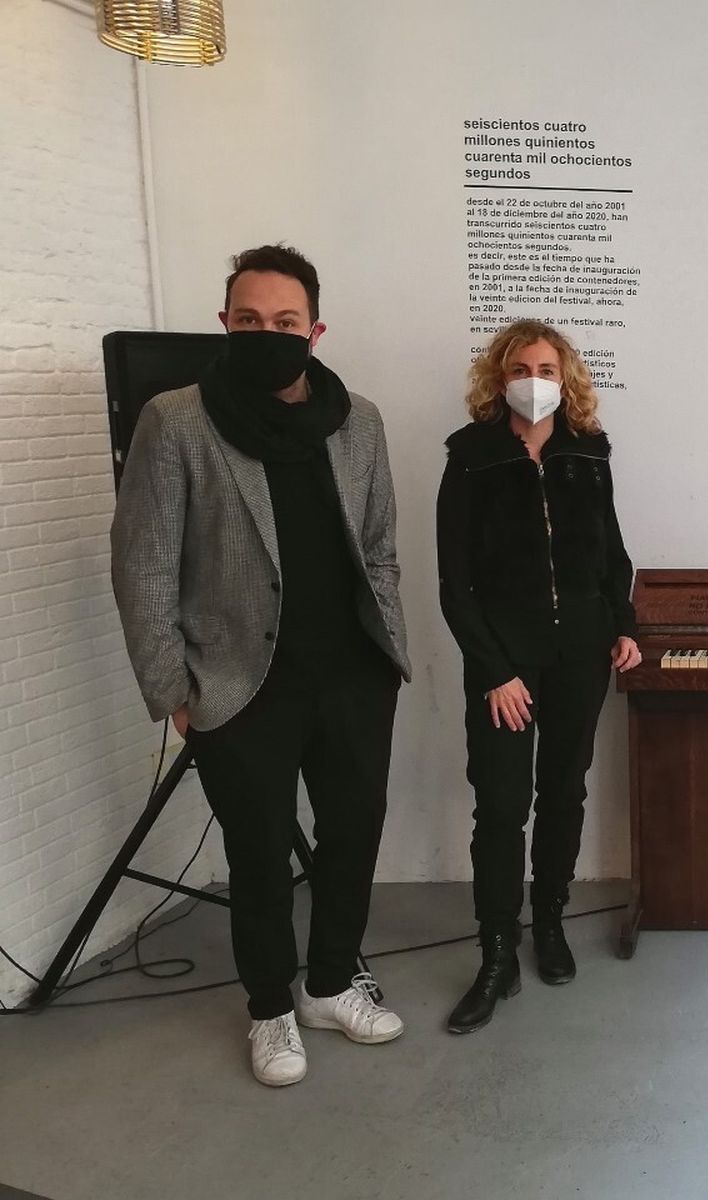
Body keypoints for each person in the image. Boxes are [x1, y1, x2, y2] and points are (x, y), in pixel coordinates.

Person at [110, 243, 411, 1087]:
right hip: (240, 683)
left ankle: (327, 985)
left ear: (315, 330)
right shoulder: (177, 420)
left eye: (285, 322)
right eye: (250, 320)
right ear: (225, 324)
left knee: (352, 839)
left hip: (353, 673)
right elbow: (141, 563)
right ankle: (271, 1012)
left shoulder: (361, 422)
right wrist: (173, 689)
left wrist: (387, 647)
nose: (268, 333)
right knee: (259, 857)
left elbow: (380, 546)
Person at [437, 319, 639, 1034]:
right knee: (499, 805)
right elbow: (454, 583)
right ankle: (498, 951)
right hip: (505, 668)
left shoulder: (588, 453)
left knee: (563, 793)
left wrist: (624, 625)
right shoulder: (470, 457)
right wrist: (495, 670)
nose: (535, 378)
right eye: (521, 366)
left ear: (567, 377)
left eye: (548, 367)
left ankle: (548, 921)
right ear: (499, 376)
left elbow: (612, 554)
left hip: (580, 657)